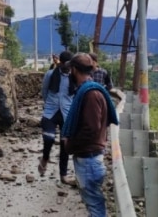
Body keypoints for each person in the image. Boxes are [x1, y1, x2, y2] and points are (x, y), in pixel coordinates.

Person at [62, 53, 119, 217]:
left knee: (95, 206)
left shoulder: (90, 94)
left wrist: (69, 145)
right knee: (93, 204)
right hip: (91, 158)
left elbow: (91, 129)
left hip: (89, 159)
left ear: (74, 70)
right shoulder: (91, 90)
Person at [39, 50, 76, 186]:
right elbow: (44, 90)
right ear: (61, 63)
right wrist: (48, 103)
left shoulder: (74, 77)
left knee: (65, 145)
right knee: (48, 137)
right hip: (51, 111)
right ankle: (45, 157)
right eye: (66, 64)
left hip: (67, 113)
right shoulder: (50, 74)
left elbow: (76, 94)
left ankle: (63, 175)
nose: (68, 67)